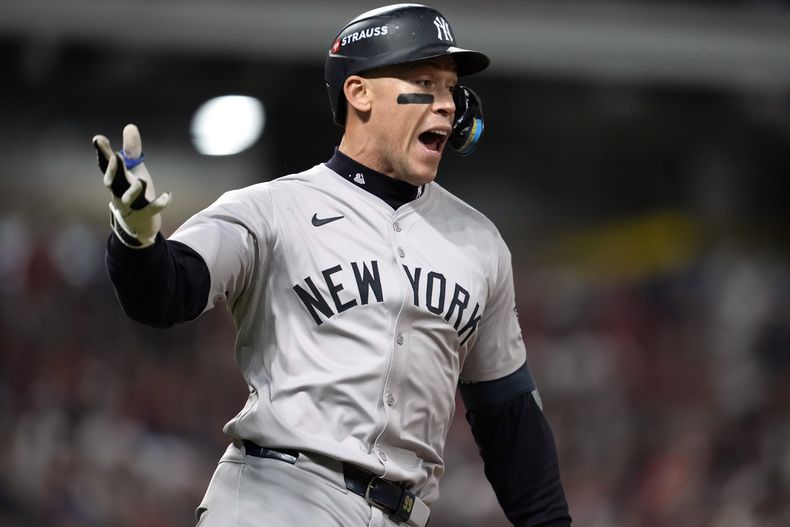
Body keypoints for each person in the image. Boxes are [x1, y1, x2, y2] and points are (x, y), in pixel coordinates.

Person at [94, 4, 571, 527]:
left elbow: (511, 421)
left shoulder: (480, 243)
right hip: (277, 500)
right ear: (359, 93)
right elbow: (167, 294)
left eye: (451, 88)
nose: (446, 105)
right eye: (424, 82)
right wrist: (136, 237)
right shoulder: (271, 208)